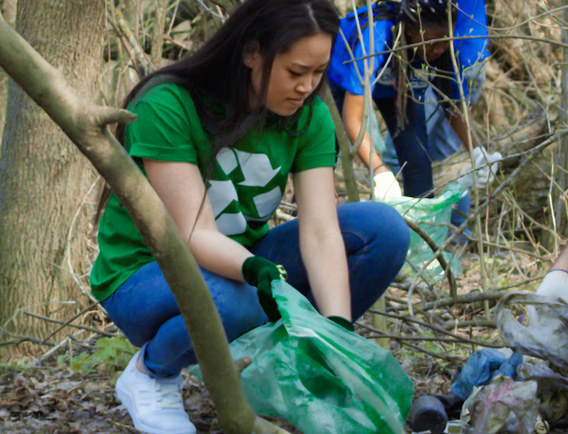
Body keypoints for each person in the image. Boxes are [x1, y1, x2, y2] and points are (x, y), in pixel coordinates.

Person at [90, 0, 410, 433]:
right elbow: (193, 234)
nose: (307, 87)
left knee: (383, 230)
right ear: (251, 53)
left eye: (318, 73)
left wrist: (336, 331)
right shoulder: (169, 104)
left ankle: (299, 366)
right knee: (233, 298)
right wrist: (256, 269)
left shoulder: (309, 114)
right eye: (296, 72)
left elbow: (321, 232)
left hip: (236, 262)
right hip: (146, 273)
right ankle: (151, 373)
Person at [328, 0, 500, 229]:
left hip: (397, 85)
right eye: (431, 43)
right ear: (410, 30)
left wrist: (477, 151)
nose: (438, 50)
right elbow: (352, 120)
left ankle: (422, 240)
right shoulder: (377, 37)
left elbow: (453, 105)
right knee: (324, 155)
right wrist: (380, 173)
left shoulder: (443, 49)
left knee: (417, 158)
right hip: (339, 77)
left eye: (444, 41)